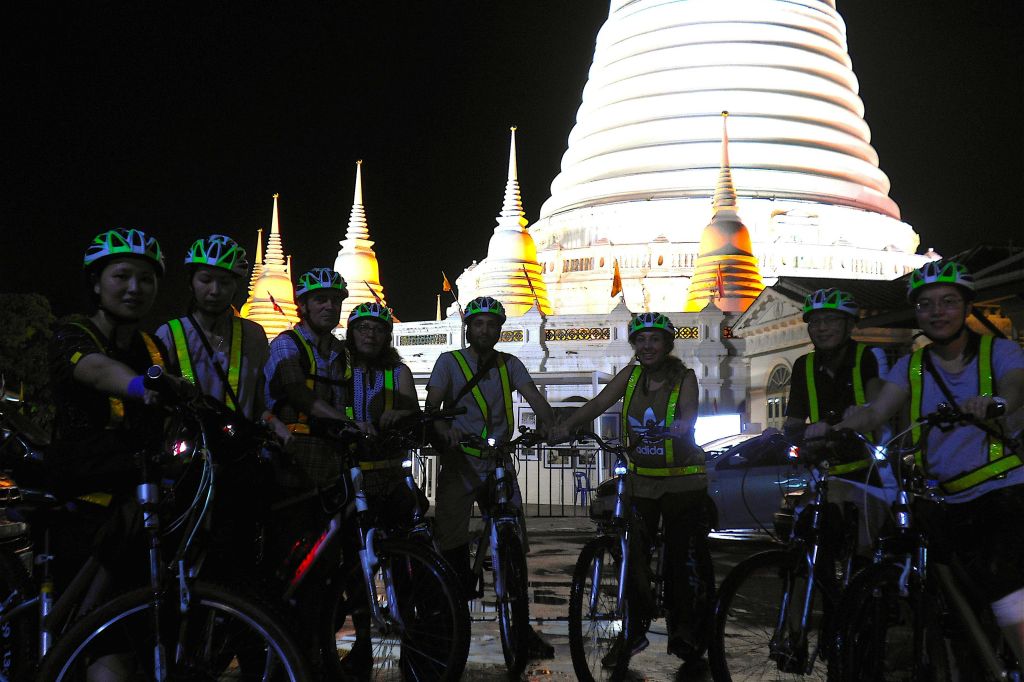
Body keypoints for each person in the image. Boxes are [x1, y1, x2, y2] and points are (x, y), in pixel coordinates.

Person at [808, 260, 1024, 662]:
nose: (937, 312)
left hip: (1001, 492)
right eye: (926, 305)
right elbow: (879, 410)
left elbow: (1014, 387)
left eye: (948, 302)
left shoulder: (1000, 351)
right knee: (944, 600)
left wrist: (997, 403)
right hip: (942, 498)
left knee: (1003, 588)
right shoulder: (913, 364)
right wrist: (847, 422)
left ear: (966, 307)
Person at [48, 228, 177, 678]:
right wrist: (140, 385)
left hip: (140, 497)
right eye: (122, 276)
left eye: (146, 278)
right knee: (104, 637)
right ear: (97, 283)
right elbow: (96, 370)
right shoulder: (72, 333)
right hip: (85, 500)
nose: (134, 288)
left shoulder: (153, 347)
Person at [550, 312, 713, 663]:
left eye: (654, 340)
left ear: (667, 345)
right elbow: (597, 404)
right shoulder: (632, 375)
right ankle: (633, 632)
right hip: (642, 480)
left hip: (682, 480)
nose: (647, 346)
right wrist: (567, 426)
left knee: (676, 557)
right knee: (633, 554)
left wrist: (680, 428)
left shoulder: (684, 378)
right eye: (640, 340)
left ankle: (683, 630)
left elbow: (688, 416)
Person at [425, 295, 556, 659]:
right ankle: (449, 622)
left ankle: (521, 627)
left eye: (492, 325)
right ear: (468, 328)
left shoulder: (508, 364)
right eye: (479, 323)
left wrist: (549, 423)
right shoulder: (448, 363)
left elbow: (534, 397)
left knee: (514, 542)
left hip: (497, 460)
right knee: (451, 540)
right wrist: (442, 429)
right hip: (461, 461)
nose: (485, 330)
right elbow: (432, 407)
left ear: (500, 330)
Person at [155, 234, 286, 580]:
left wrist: (278, 428)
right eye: (206, 279)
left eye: (225, 281)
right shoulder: (168, 334)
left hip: (238, 460)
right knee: (182, 559)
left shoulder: (255, 336)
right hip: (188, 465)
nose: (214, 290)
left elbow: (259, 403)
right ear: (191, 282)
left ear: (237, 286)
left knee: (240, 558)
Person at [339, 301, 424, 673]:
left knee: (406, 561)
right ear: (352, 334)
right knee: (354, 565)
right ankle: (360, 641)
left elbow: (415, 414)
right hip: (351, 478)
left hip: (391, 476)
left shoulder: (398, 372)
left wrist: (401, 413)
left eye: (377, 329)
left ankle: (412, 640)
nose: (370, 335)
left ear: (386, 335)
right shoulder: (338, 371)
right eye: (362, 329)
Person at [782, 288, 895, 552]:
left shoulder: (869, 356)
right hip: (825, 471)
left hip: (870, 470)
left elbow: (878, 403)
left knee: (868, 548)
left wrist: (861, 411)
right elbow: (794, 421)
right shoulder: (803, 366)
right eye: (816, 322)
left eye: (831, 320)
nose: (822, 328)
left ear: (849, 324)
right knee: (806, 542)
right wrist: (782, 435)